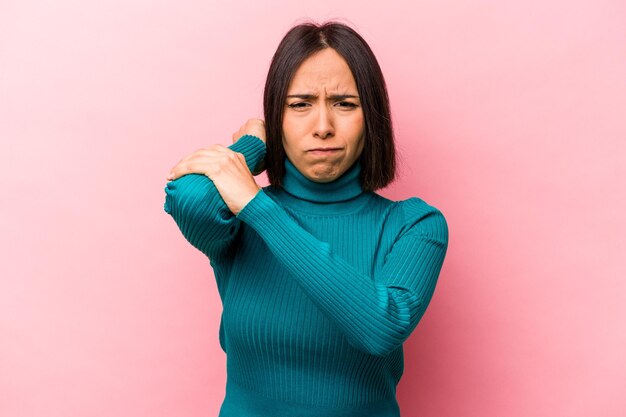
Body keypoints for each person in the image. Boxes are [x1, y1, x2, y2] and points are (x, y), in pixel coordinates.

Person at [163, 20, 448, 417]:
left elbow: (380, 328)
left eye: (345, 104)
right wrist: (256, 145)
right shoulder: (236, 219)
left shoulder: (414, 225)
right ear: (276, 116)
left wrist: (257, 206)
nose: (323, 127)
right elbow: (189, 196)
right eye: (300, 105)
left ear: (372, 118)